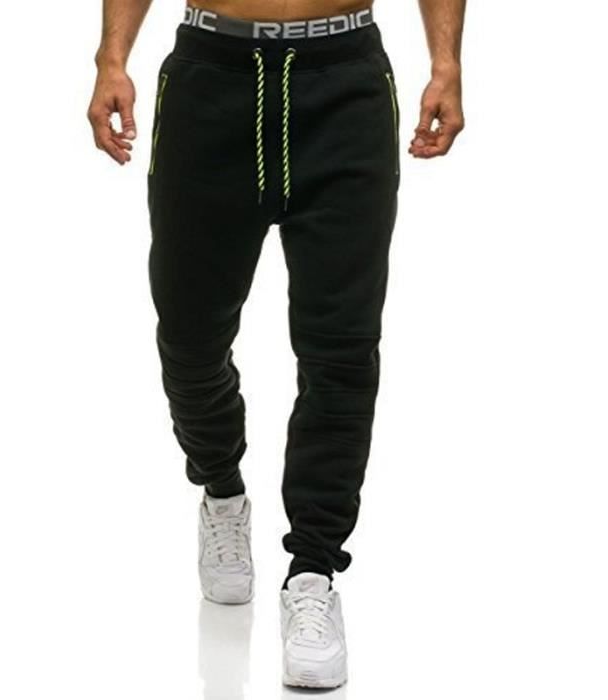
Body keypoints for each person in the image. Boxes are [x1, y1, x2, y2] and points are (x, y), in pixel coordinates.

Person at [88, 0, 465, 689]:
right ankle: (222, 492)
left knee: (342, 349)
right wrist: (111, 57)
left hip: (344, 83)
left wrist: (446, 62)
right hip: (211, 80)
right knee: (189, 337)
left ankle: (313, 573)